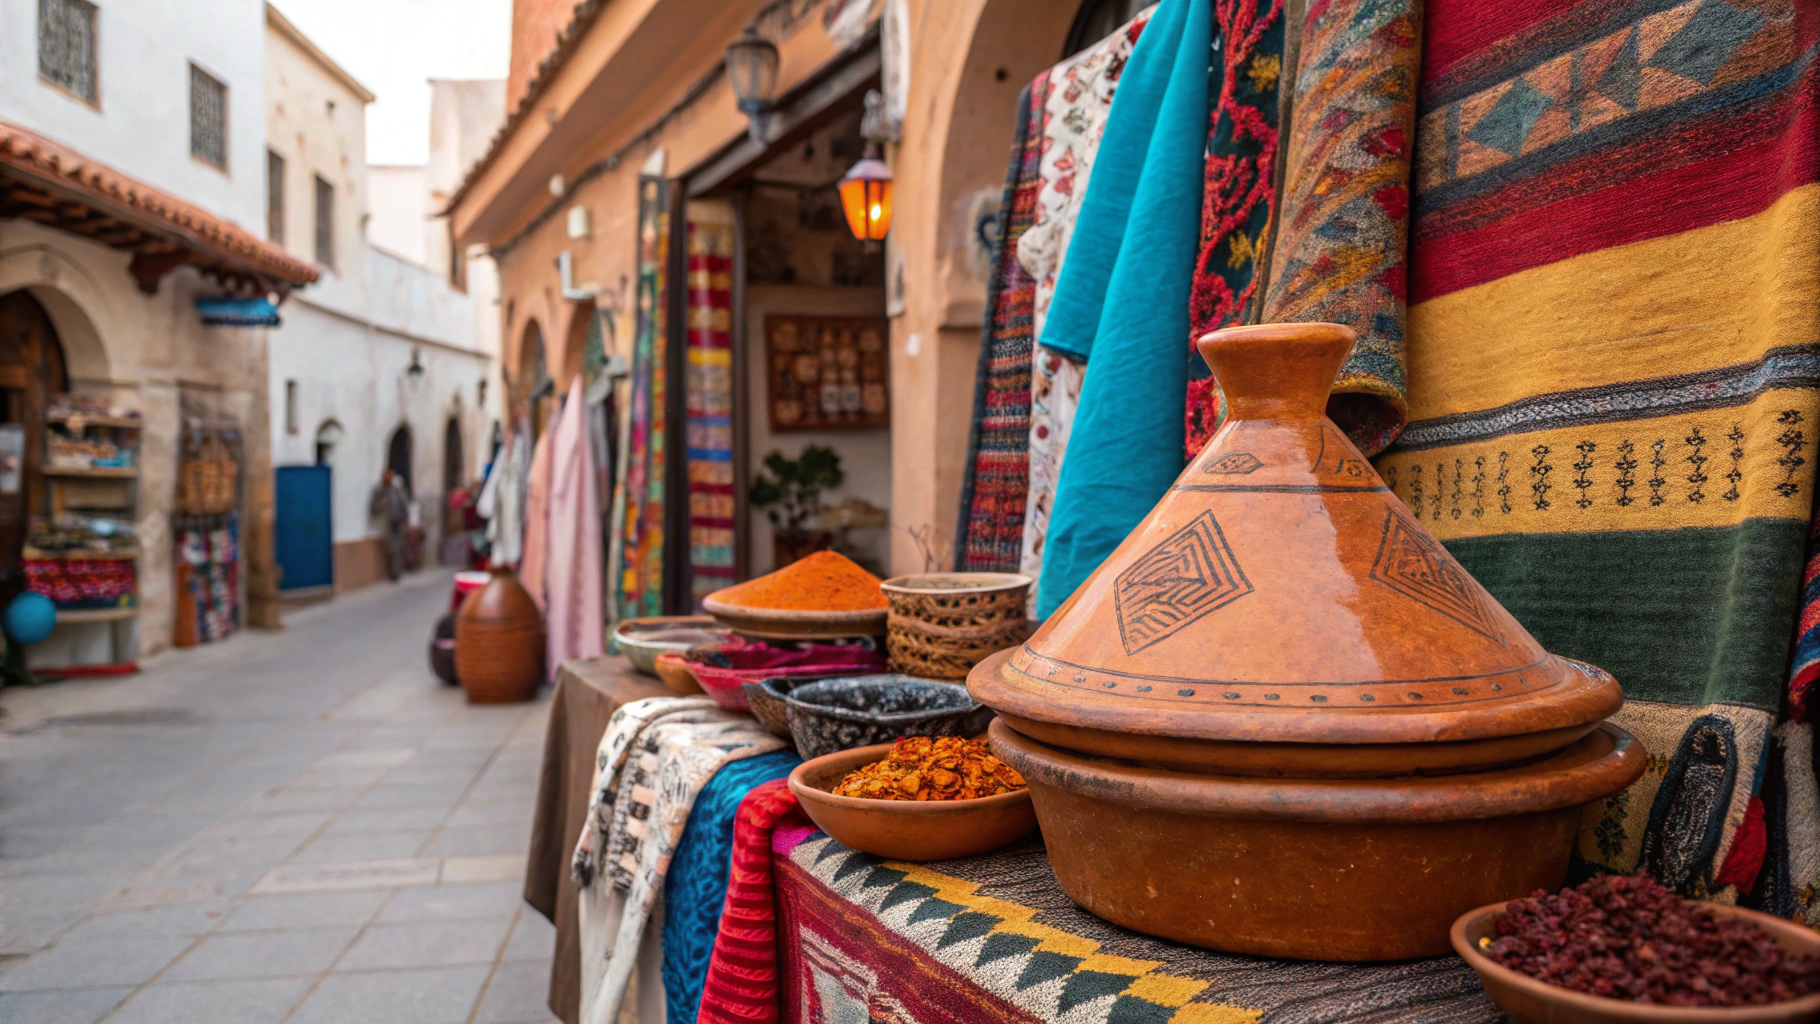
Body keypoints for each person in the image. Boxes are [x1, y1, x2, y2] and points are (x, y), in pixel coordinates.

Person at [370, 469, 410, 581]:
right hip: (388, 523)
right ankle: (393, 573)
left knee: (399, 547)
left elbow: (404, 503)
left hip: (399, 521)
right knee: (392, 548)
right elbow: (374, 508)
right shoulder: (380, 490)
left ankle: (397, 572)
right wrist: (382, 503)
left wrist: (405, 518)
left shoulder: (397, 489)